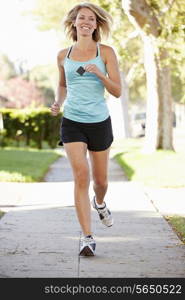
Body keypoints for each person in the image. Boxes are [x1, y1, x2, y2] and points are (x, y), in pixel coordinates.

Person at [51, 2, 121, 256]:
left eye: (91, 19)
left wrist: (100, 74)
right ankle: (87, 237)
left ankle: (99, 203)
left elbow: (117, 91)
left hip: (99, 121)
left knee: (100, 182)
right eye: (82, 18)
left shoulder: (106, 52)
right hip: (73, 121)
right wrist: (58, 101)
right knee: (82, 175)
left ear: (96, 24)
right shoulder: (63, 55)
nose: (86, 22)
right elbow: (62, 84)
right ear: (74, 22)